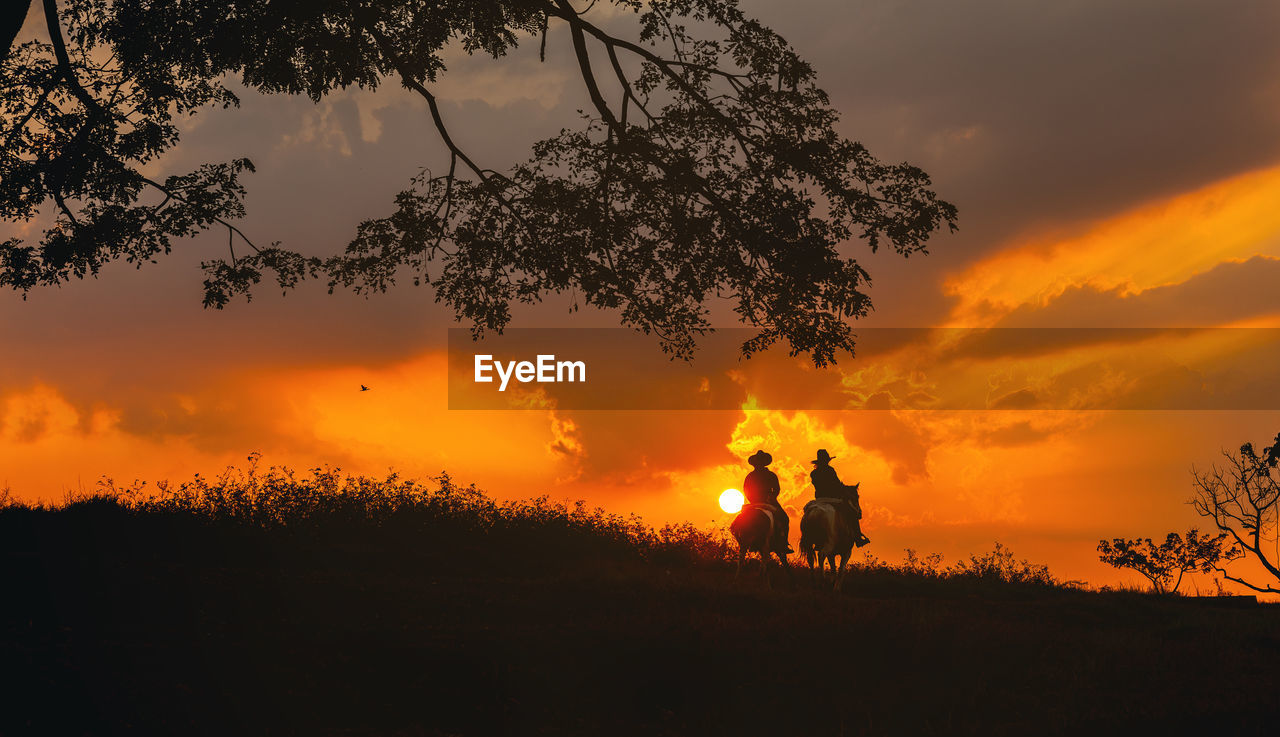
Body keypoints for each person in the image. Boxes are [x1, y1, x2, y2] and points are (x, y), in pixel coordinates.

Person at [809, 449, 871, 547]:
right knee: (852, 512)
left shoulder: (813, 473)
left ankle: (812, 538)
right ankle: (858, 538)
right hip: (832, 499)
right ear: (826, 460)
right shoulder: (830, 470)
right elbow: (837, 485)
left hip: (819, 500)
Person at [743, 450, 791, 554]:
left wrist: (752, 500)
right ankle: (783, 543)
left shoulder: (750, 476)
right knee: (784, 518)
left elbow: (745, 490)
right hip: (768, 502)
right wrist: (771, 498)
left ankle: (743, 541)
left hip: (754, 502)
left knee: (742, 519)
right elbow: (777, 489)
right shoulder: (771, 475)